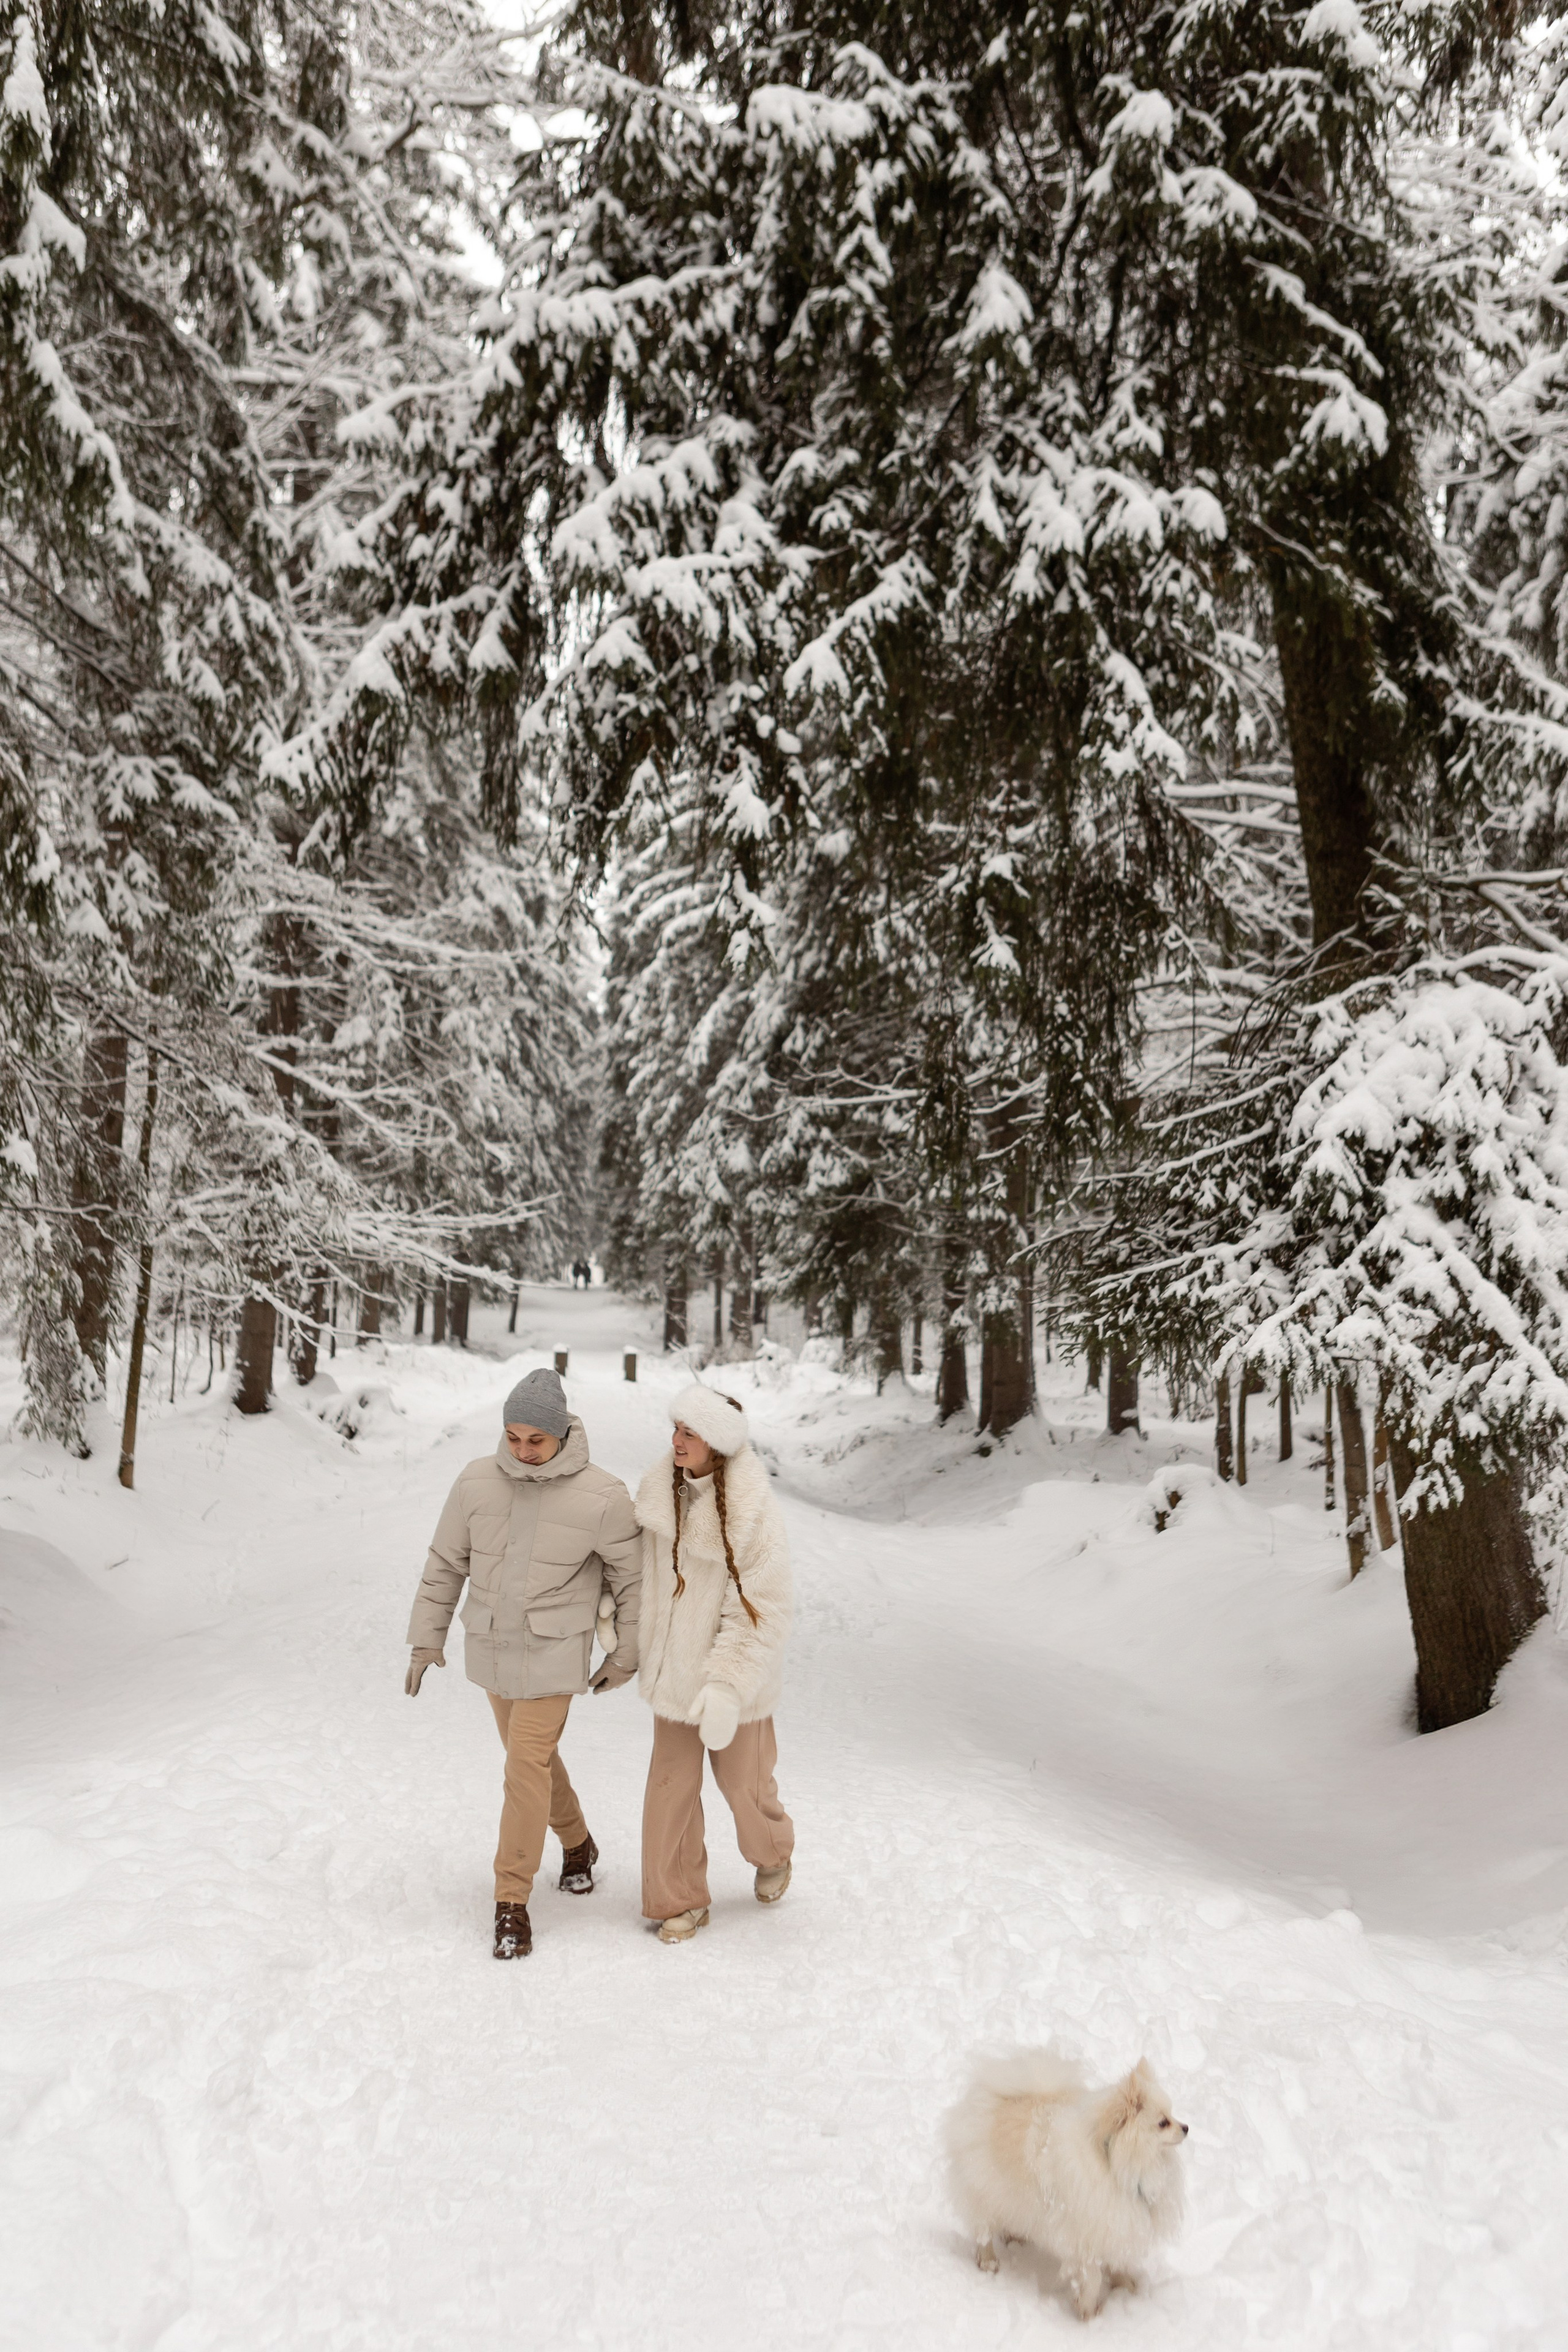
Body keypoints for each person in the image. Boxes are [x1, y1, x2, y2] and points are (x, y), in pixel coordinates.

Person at [404, 1366, 641, 1958]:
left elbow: (633, 1581)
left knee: (522, 1765)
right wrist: (425, 1640)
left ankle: (511, 1902)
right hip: (493, 1647)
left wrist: (628, 1653)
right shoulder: (475, 1481)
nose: (523, 1451)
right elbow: (445, 1564)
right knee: (530, 1762)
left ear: (561, 1433)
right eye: (512, 1437)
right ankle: (579, 1843)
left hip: (556, 1652)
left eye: (535, 1439)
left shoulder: (605, 1495)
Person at [634, 1383, 795, 1943]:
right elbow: (639, 1572)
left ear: (718, 1444)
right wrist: (618, 1616)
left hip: (737, 1680)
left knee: (745, 1788)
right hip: (676, 1674)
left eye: (689, 1433)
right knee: (670, 1788)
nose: (676, 1441)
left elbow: (765, 1609)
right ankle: (681, 1899)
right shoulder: (659, 1492)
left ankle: (772, 1851)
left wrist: (727, 1686)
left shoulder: (755, 1511)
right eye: (675, 1429)